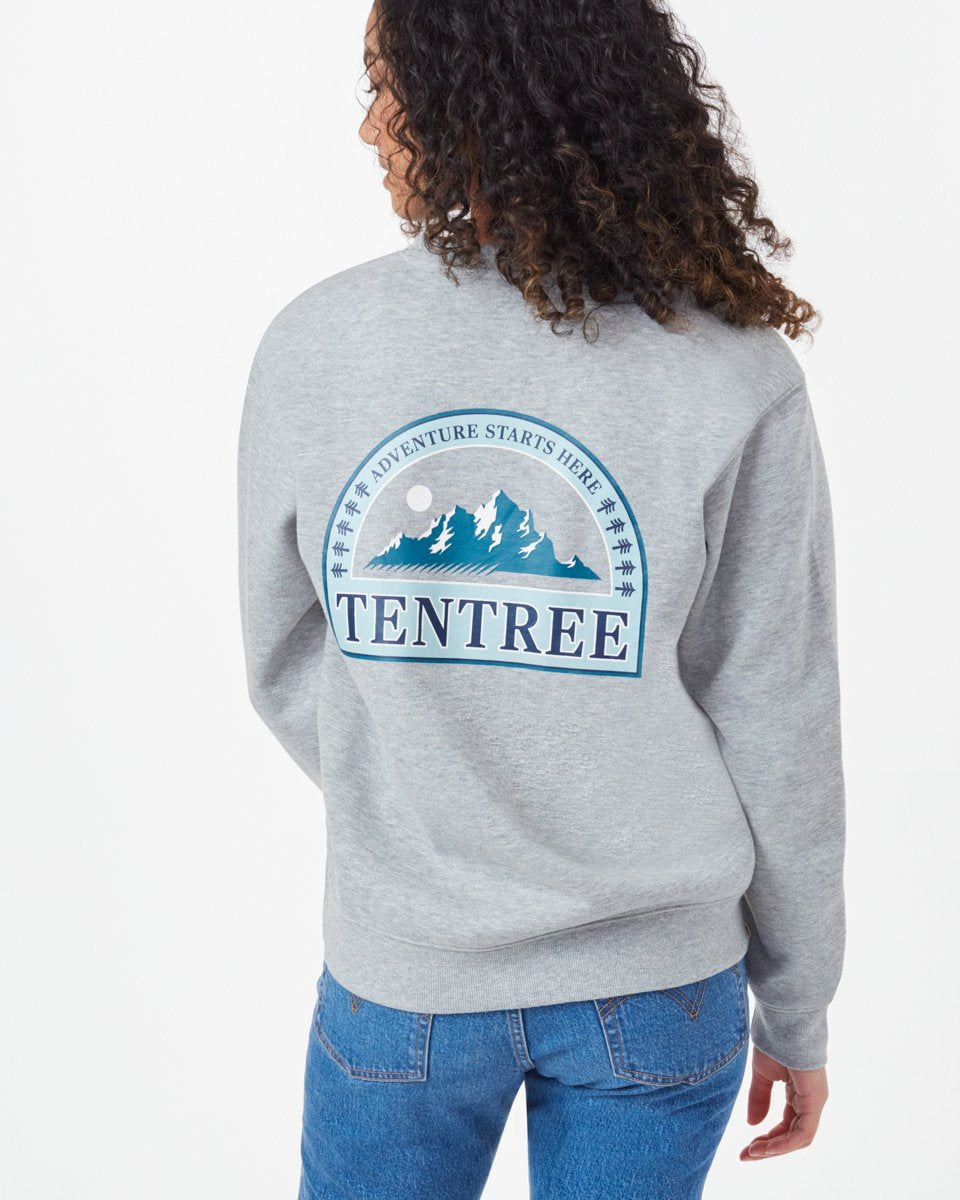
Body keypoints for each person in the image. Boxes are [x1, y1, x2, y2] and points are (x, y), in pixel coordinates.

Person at [236, 2, 845, 1196]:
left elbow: (284, 659)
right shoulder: (732, 367)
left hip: (407, 973)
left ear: (472, 101)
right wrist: (799, 1004)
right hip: (657, 985)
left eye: (387, 88)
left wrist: (435, 796)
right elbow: (778, 713)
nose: (367, 127)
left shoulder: (319, 345)